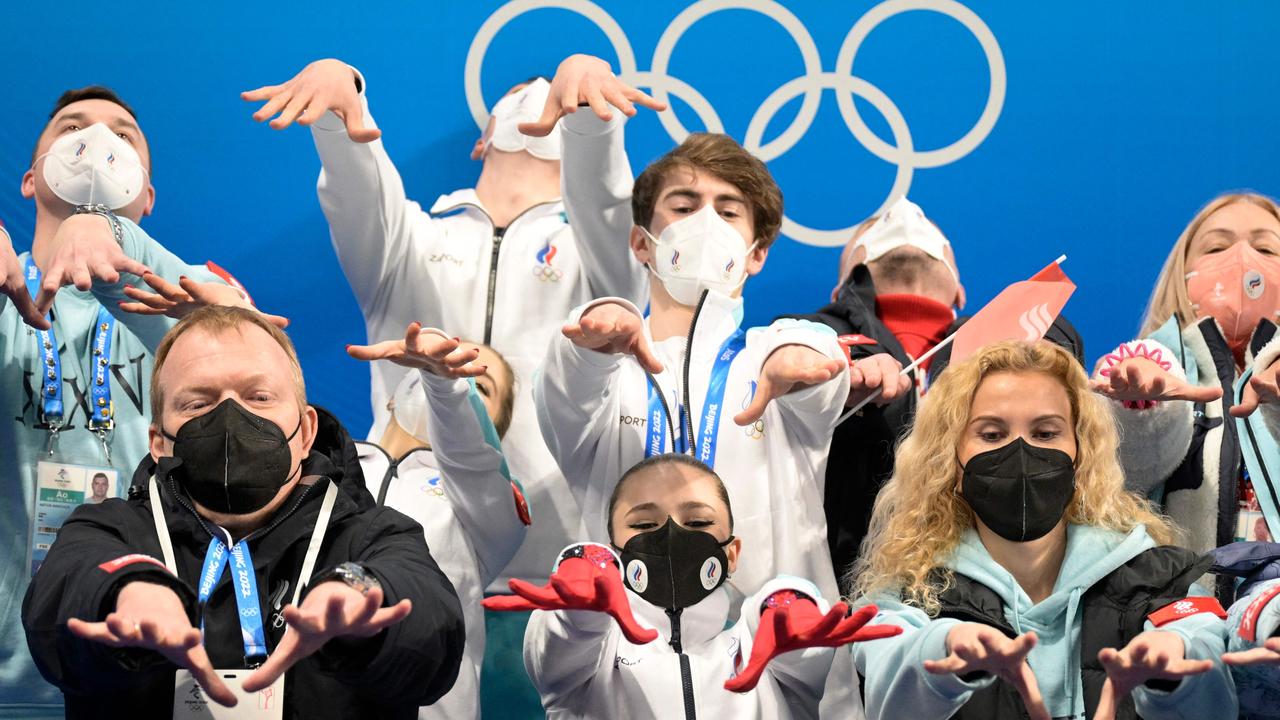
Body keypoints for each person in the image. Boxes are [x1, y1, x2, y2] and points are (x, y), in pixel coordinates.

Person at [241, 58, 656, 591]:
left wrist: (591, 123)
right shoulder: (412, 241)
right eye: (522, 93)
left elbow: (604, 205)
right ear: (481, 141)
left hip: (557, 571)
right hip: (401, 546)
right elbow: (359, 196)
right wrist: (339, 111)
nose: (538, 95)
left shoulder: (600, 261)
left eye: (555, 96)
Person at [22, 306, 465, 718]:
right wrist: (125, 590)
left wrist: (362, 597)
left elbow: (432, 630)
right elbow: (60, 599)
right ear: (158, 443)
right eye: (198, 404)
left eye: (258, 397)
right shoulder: (106, 527)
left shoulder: (375, 534)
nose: (231, 415)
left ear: (307, 430)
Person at [532, 124, 849, 602]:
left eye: (727, 212)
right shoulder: (602, 373)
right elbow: (566, 383)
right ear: (641, 244)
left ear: (756, 253)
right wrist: (590, 337)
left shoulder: (771, 364)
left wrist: (806, 353)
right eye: (683, 207)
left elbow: (821, 372)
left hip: (773, 653)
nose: (705, 224)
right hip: (627, 653)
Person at [0, 85, 234, 719]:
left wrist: (106, 231)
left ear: (147, 194)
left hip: (152, 662)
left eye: (123, 135)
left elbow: (260, 426)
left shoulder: (192, 303)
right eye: (73, 127)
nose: (97, 141)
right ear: (29, 180)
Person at [851, 340, 1236, 720]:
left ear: (1081, 452)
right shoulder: (905, 593)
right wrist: (944, 649)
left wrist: (1172, 668)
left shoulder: (1160, 577)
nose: (1021, 451)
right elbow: (890, 684)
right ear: (950, 458)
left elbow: (1205, 656)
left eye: (1046, 433)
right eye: (991, 435)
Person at [792, 196, 1085, 581]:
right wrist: (826, 389)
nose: (905, 211)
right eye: (871, 229)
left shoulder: (1023, 341)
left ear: (960, 292)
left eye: (930, 226)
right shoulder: (803, 343)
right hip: (837, 593)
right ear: (839, 288)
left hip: (984, 593)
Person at [485, 453, 900, 718]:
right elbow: (560, 645)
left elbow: (788, 641)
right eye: (644, 524)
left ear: (732, 554)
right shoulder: (591, 652)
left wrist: (791, 604)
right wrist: (581, 581)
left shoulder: (762, 649)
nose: (670, 534)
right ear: (614, 550)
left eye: (699, 522)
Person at [1090, 192, 1280, 598]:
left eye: (1265, 248)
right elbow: (1120, 474)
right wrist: (1138, 409)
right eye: (1217, 247)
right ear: (1182, 274)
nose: (1243, 257)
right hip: (1173, 628)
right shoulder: (1144, 364)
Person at [347, 323, 527, 719]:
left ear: (491, 431)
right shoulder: (323, 466)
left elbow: (472, 459)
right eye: (426, 367)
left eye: (478, 386)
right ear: (393, 397)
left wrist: (446, 384)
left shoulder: (489, 505)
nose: (445, 373)